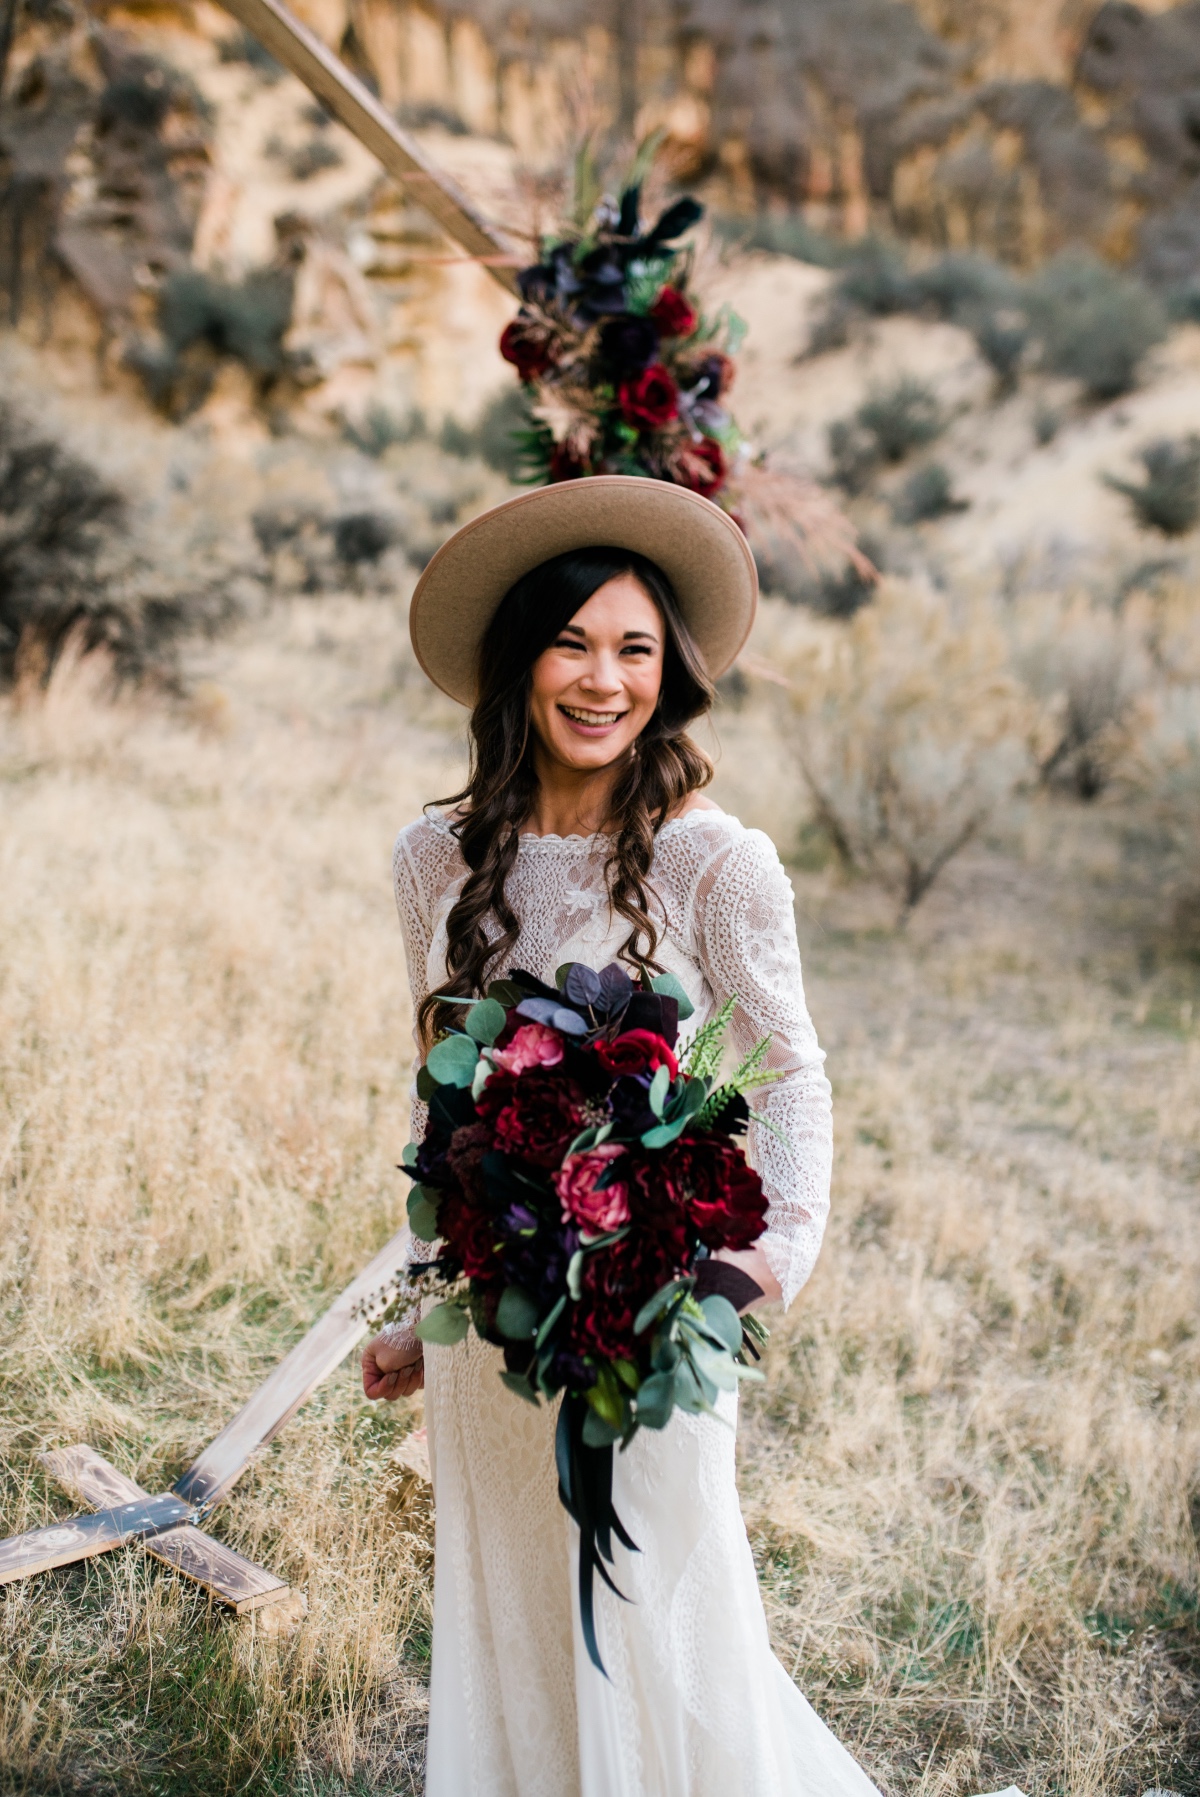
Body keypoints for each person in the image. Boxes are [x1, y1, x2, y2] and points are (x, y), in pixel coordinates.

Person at [362, 476, 880, 1796]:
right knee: (518, 1611)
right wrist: (424, 1302)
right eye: (572, 642)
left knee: (665, 1617)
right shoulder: (435, 857)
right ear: (518, 658)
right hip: (496, 1328)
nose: (603, 680)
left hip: (654, 1315)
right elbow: (448, 1106)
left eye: (635, 648)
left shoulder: (718, 863)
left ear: (673, 672)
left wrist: (773, 1260)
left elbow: (788, 1073)